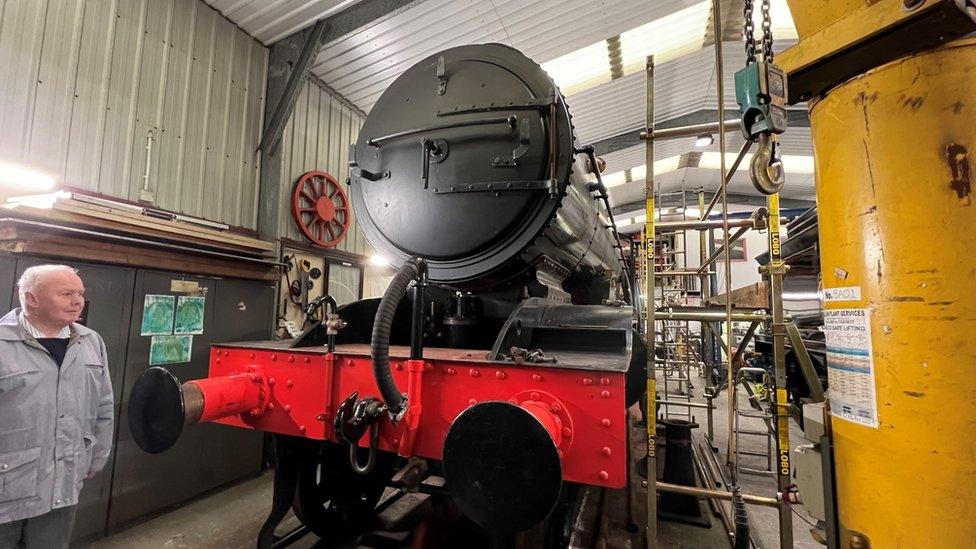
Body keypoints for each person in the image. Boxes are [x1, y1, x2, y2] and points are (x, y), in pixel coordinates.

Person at [0, 265, 113, 549]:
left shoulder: (90, 342)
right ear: (32, 298)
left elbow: (104, 403)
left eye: (80, 294)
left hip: (64, 481)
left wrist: (96, 455)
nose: (78, 301)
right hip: (6, 486)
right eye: (67, 294)